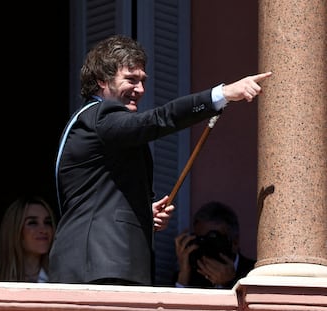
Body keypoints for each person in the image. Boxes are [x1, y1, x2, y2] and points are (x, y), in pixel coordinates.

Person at [49, 34, 272, 286]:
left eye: (143, 81)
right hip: (101, 266)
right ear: (101, 80)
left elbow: (95, 198)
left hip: (99, 264)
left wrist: (142, 213)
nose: (141, 90)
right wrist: (222, 94)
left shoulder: (93, 123)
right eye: (131, 80)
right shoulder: (100, 115)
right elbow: (157, 119)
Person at [174, 201, 256, 289]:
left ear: (234, 242)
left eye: (214, 238)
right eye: (202, 239)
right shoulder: (190, 274)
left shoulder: (253, 273)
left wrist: (228, 283)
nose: (208, 245)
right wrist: (183, 275)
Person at [0, 195, 56, 282]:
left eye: (47, 222)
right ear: (15, 229)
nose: (43, 230)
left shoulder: (61, 279)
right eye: (32, 223)